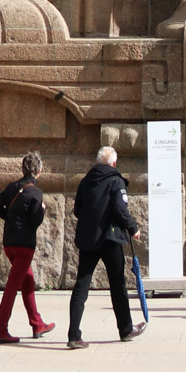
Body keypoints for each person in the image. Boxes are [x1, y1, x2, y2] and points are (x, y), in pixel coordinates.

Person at [68, 144, 146, 348]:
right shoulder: (115, 180)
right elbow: (120, 209)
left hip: (88, 240)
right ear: (113, 163)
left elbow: (77, 210)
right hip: (110, 240)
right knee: (117, 285)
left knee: (81, 285)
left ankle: (74, 335)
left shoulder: (86, 181)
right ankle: (126, 329)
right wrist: (133, 228)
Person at [0, 152, 54, 343]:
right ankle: (1, 330)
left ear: (23, 168)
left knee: (28, 281)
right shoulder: (36, 193)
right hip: (24, 246)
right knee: (12, 287)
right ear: (39, 170)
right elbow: (35, 222)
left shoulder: (12, 188)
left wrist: (11, 219)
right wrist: (41, 210)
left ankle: (37, 323)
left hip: (9, 243)